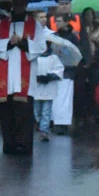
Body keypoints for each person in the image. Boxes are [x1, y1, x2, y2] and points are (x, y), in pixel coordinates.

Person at [0, 0, 49, 155]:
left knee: (24, 112)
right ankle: (9, 144)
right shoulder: (1, 24)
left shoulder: (34, 25)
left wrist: (22, 42)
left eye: (22, 4)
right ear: (12, 5)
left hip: (25, 74)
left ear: (26, 5)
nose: (19, 6)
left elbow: (42, 46)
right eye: (16, 4)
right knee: (6, 112)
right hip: (6, 75)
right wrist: (8, 42)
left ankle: (24, 144)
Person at [30, 15, 65, 143]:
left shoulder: (53, 58)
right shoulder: (34, 58)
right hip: (37, 88)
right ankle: (39, 123)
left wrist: (49, 77)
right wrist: (36, 77)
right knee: (37, 111)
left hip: (48, 88)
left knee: (46, 111)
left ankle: (44, 130)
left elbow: (59, 70)